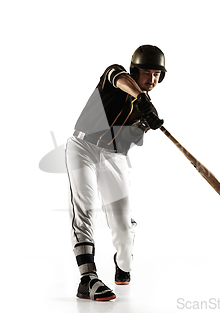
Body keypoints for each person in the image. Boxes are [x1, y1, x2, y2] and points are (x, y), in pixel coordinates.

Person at [64, 45, 166, 301]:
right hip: (82, 146)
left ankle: (123, 262)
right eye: (147, 73)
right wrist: (141, 99)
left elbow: (125, 143)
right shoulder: (116, 76)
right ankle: (87, 279)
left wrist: (143, 124)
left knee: (121, 224)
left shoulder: (146, 107)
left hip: (113, 155)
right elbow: (118, 78)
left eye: (157, 74)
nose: (151, 79)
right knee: (84, 207)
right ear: (135, 71)